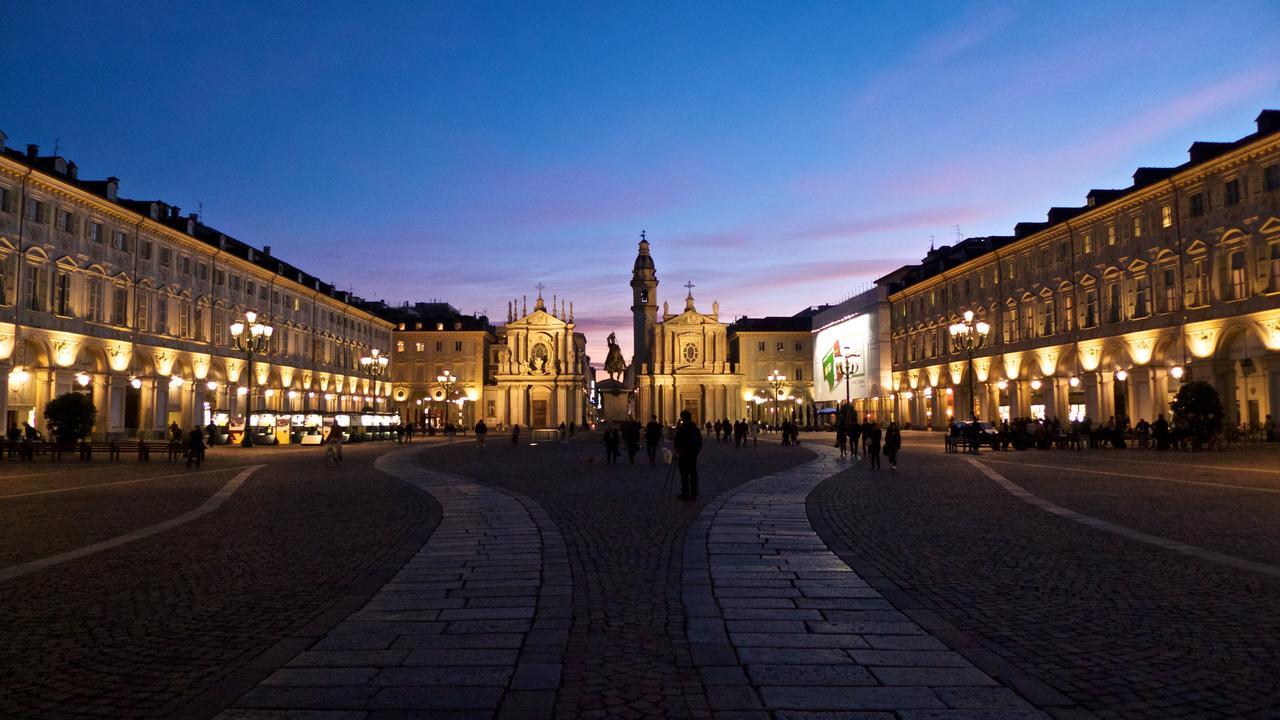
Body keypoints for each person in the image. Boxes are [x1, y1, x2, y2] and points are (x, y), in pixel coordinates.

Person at [674, 409, 703, 499]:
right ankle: (694, 494)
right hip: (693, 455)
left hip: (683, 454)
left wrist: (679, 450)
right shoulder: (695, 429)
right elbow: (700, 441)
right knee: (693, 474)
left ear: (682, 418)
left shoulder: (682, 429)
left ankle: (685, 493)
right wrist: (696, 452)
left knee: (684, 474)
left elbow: (677, 441)